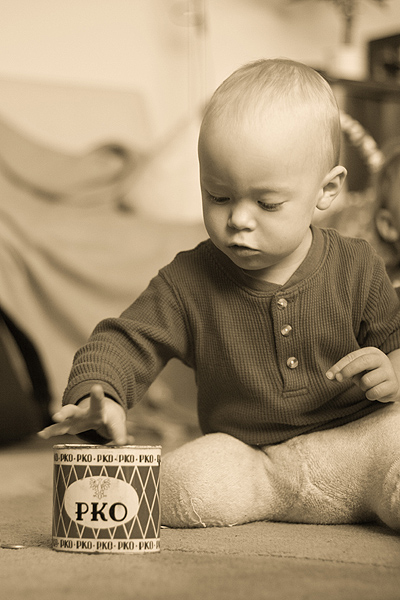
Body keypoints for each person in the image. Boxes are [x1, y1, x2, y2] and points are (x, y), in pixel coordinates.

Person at [40, 58, 400, 531]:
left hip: (356, 445)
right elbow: (125, 341)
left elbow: (396, 344)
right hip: (251, 460)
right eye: (219, 196)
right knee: (180, 482)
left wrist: (392, 371)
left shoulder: (357, 266)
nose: (239, 220)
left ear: (326, 190)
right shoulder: (189, 279)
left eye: (267, 203)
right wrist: (100, 395)